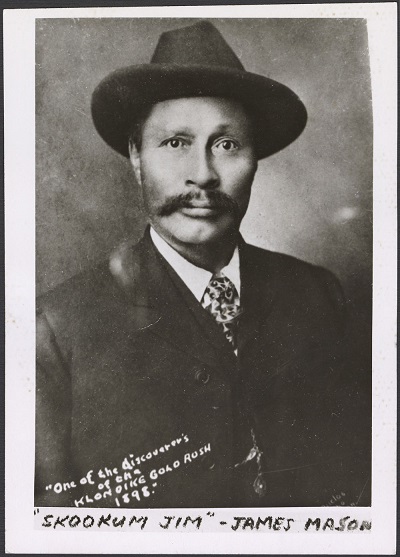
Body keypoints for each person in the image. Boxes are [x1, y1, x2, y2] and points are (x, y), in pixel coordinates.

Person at [35, 20, 370, 508]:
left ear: (255, 157)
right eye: (175, 143)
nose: (202, 175)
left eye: (226, 144)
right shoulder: (57, 329)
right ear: (135, 155)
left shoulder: (317, 294)